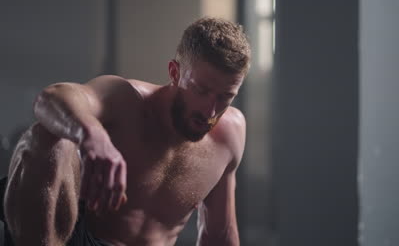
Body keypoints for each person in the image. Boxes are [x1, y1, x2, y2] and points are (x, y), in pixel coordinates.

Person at [2, 17, 251, 246]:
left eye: (225, 97)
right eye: (201, 90)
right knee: (48, 136)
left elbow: (219, 234)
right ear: (175, 73)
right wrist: (93, 137)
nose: (211, 111)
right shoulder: (125, 99)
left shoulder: (229, 133)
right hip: (79, 237)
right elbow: (50, 99)